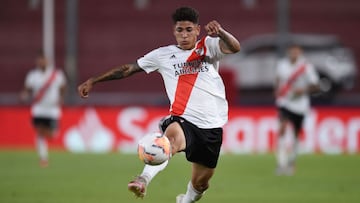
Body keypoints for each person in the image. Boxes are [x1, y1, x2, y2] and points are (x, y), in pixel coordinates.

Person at [78, 6, 240, 202]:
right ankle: (142, 179)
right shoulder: (162, 55)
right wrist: (94, 80)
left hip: (212, 127)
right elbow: (128, 69)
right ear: (174, 32)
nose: (184, 35)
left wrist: (221, 32)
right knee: (167, 143)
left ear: (197, 30)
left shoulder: (208, 46)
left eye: (189, 30)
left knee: (201, 184)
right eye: (179, 30)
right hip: (183, 119)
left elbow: (234, 47)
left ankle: (186, 200)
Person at [274, 44, 320, 175]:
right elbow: (277, 79)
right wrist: (277, 91)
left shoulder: (306, 67)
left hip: (300, 105)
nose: (293, 54)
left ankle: (291, 161)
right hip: (284, 102)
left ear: (300, 53)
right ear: (288, 52)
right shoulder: (282, 64)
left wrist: (304, 90)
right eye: (291, 51)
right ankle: (281, 163)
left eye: (296, 52)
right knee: (282, 128)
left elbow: (316, 86)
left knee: (296, 133)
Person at [20, 52, 67, 167]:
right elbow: (27, 88)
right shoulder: (33, 75)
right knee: (39, 132)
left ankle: (44, 139)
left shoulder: (57, 74)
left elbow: (63, 86)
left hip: (52, 109)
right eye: (40, 60)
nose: (42, 62)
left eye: (44, 60)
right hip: (39, 109)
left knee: (52, 134)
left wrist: (61, 97)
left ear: (48, 61)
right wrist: (24, 94)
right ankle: (43, 158)